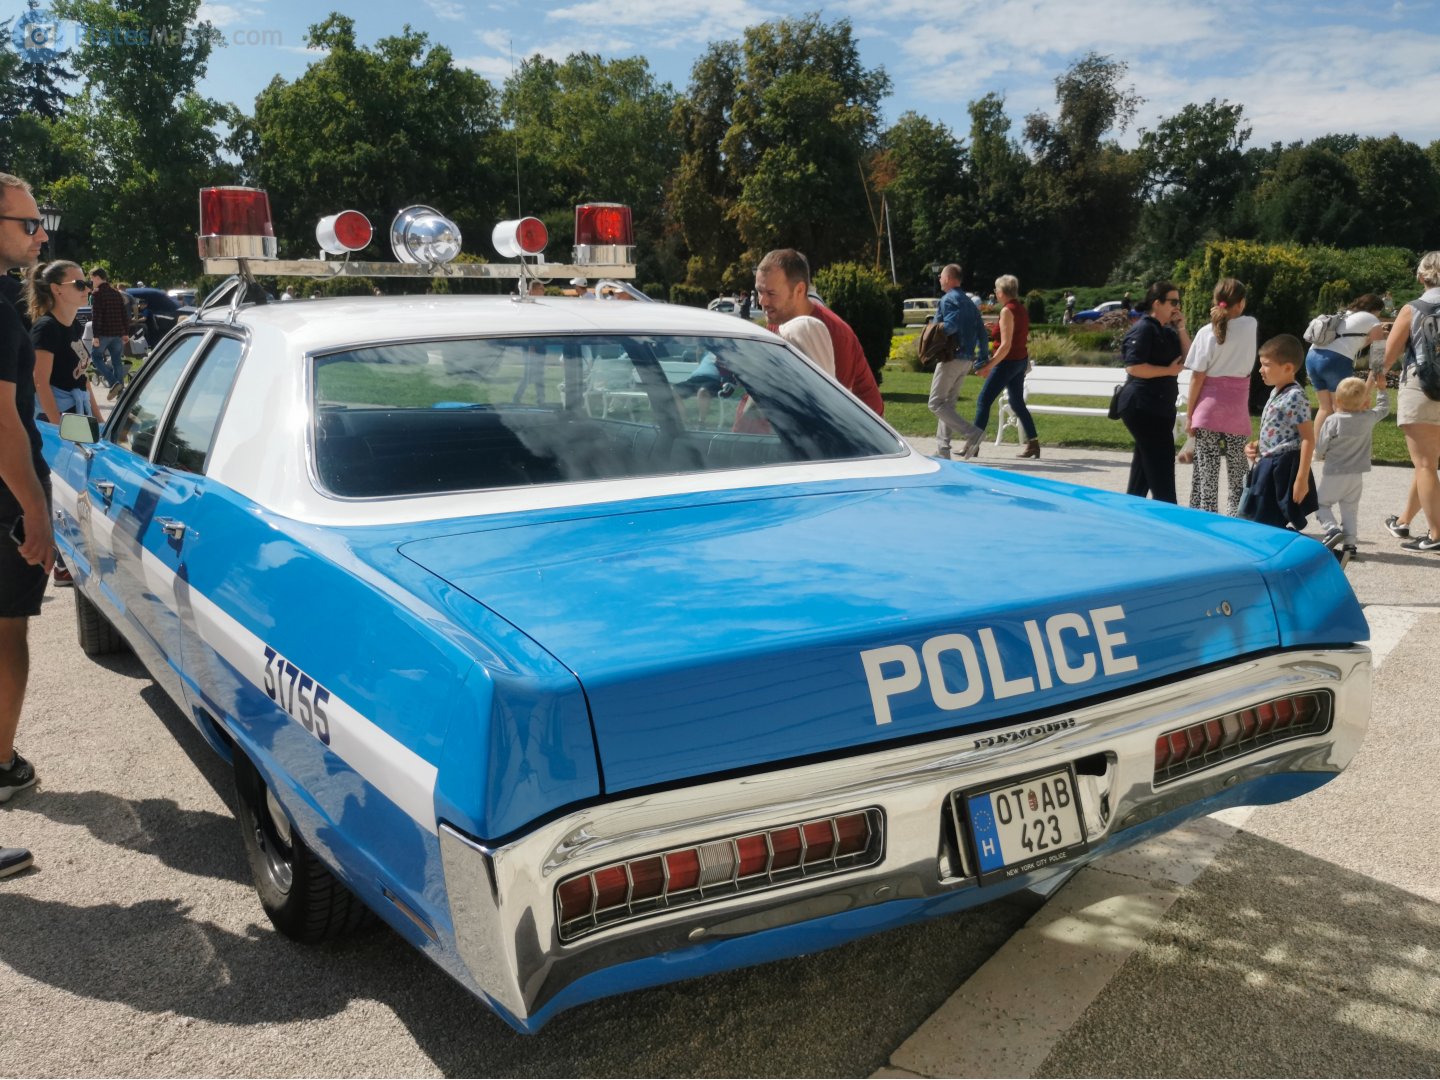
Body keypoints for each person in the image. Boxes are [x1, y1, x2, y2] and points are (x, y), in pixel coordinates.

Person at [0, 172, 56, 820]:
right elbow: (2, 422)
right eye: (28, 224)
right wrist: (33, 513)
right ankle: (3, 764)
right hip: (3, 507)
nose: (40, 234)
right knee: (6, 633)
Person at [754, 249, 884, 416]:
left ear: (800, 290)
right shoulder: (776, 319)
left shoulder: (835, 333)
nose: (762, 301)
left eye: (771, 293)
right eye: (759, 291)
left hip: (862, 428)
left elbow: (834, 408)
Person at [1377, 250, 1440, 553]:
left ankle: (1437, 534)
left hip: (1421, 388)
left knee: (1425, 463)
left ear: (1421, 276)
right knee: (1427, 462)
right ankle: (1403, 521)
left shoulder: (1412, 308)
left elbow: (1387, 356)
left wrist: (1372, 380)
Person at [1184, 278, 1257, 515]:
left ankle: (1205, 513)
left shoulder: (1206, 333)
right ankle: (1239, 513)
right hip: (1236, 407)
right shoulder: (1250, 325)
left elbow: (1197, 377)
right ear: (1242, 302)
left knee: (1207, 468)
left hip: (1207, 408)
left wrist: (1189, 415)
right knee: (1238, 466)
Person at [1116, 282, 1190, 502]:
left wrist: (1182, 328)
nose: (1177, 306)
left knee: (1144, 468)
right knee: (1162, 467)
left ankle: (1130, 512)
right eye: (1173, 302)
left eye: (1179, 302)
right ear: (1157, 303)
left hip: (1159, 407)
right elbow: (1134, 367)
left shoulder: (1168, 330)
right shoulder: (1144, 328)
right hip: (1142, 406)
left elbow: (1189, 358)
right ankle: (1170, 518)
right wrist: (1167, 371)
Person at [1243, 334, 1318, 530]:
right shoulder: (1276, 391)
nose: (1260, 370)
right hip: (1268, 463)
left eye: (1266, 365)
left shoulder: (1295, 396)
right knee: (1260, 520)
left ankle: (1318, 553)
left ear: (1287, 368)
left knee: (1268, 523)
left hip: (1283, 467)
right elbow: (1282, 432)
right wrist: (1258, 446)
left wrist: (1301, 479)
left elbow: (1308, 438)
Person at [1315, 374, 1389, 567]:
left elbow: (1322, 445)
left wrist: (1318, 455)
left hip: (1334, 472)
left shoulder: (1333, 421)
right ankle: (1350, 544)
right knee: (1350, 509)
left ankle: (1331, 530)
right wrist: (1381, 389)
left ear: (1337, 400)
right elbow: (1384, 409)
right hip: (1356, 475)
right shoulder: (1368, 418)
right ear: (1365, 401)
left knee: (1321, 504)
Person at [965, 275, 1038, 460]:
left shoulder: (1006, 311)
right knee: (1016, 403)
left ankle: (973, 445)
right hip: (1019, 361)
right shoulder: (1020, 308)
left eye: (996, 289)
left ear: (1002, 292)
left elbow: (1005, 346)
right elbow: (1015, 333)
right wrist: (995, 328)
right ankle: (1034, 443)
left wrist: (988, 366)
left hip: (1007, 362)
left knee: (983, 401)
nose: (995, 293)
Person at [1305, 293, 1388, 438]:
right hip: (1335, 361)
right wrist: (1368, 389)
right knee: (1341, 408)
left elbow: (1349, 342)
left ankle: (1318, 450)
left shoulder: (1344, 315)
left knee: (1324, 407)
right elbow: (1378, 356)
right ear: (1376, 310)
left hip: (1312, 357)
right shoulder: (1372, 319)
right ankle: (1339, 449)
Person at [927, 264, 986, 459]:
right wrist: (982, 358)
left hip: (951, 358)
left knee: (935, 403)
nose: (939, 280)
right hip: (966, 360)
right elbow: (982, 334)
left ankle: (972, 433)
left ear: (950, 278)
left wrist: (932, 330)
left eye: (942, 277)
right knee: (948, 405)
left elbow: (950, 326)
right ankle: (943, 450)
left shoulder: (948, 300)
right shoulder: (970, 303)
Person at [88, 266, 130, 395]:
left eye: (92, 279)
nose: (91, 281)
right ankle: (120, 392)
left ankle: (113, 382)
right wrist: (125, 332)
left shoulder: (97, 294)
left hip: (103, 333)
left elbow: (97, 316)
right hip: (117, 333)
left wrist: (95, 336)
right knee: (117, 361)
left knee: (95, 357)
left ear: (97, 277)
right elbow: (124, 314)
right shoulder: (116, 293)